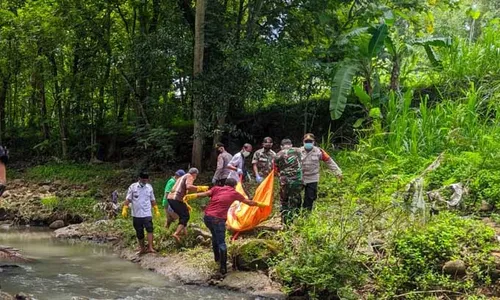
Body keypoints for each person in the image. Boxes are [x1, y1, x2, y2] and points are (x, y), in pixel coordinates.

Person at [183, 178, 265, 275]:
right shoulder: (234, 193)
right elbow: (249, 202)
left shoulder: (216, 189)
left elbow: (204, 194)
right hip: (218, 219)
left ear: (225, 184)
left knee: (214, 236)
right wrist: (260, 204)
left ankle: (217, 259)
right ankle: (223, 267)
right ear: (234, 186)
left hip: (207, 217)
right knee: (222, 243)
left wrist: (192, 196)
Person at [300, 133, 342, 211]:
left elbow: (329, 161)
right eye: (306, 141)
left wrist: (338, 172)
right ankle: (296, 212)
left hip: (313, 178)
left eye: (310, 141)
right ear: (303, 142)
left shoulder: (319, 151)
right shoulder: (298, 151)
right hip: (300, 177)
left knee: (310, 197)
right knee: (296, 196)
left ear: (313, 142)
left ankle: (306, 215)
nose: (308, 143)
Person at [121, 172, 160, 254]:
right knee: (139, 231)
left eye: (146, 179)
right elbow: (128, 199)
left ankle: (150, 247)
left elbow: (152, 199)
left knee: (149, 229)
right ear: (139, 178)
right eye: (143, 179)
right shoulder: (133, 187)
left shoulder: (149, 187)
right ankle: (142, 248)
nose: (145, 181)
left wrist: (156, 209)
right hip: (136, 214)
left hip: (147, 213)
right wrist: (125, 208)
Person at [167, 168, 209, 242]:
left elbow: (184, 190)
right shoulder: (190, 176)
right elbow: (189, 186)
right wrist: (200, 188)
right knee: (185, 216)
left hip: (171, 199)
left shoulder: (181, 178)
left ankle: (184, 234)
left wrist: (185, 203)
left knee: (183, 214)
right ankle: (176, 233)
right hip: (176, 198)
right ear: (195, 174)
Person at [274, 139, 303, 225]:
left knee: (284, 201)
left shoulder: (278, 155)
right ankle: (296, 219)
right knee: (296, 200)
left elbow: (275, 170)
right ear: (291, 145)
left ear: (281, 146)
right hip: (297, 181)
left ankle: (285, 222)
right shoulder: (298, 151)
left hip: (285, 182)